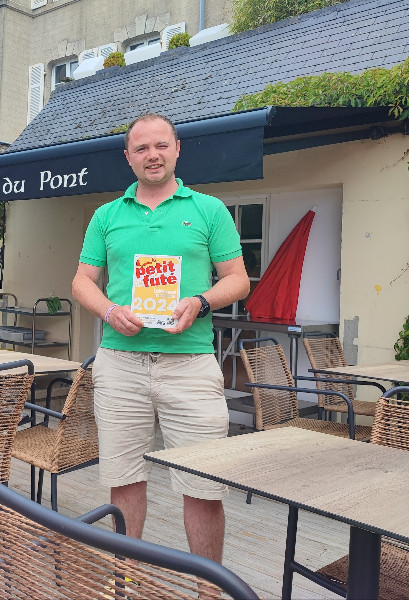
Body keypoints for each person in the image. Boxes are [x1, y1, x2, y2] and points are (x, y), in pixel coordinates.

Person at [71, 113, 249, 564]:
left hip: (189, 366)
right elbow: (81, 282)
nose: (153, 155)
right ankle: (123, 585)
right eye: (142, 148)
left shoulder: (209, 210)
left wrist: (200, 302)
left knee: (204, 486)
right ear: (128, 157)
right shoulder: (105, 215)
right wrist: (110, 310)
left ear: (177, 149)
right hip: (120, 365)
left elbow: (238, 280)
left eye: (161, 146)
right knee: (124, 480)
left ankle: (209, 593)